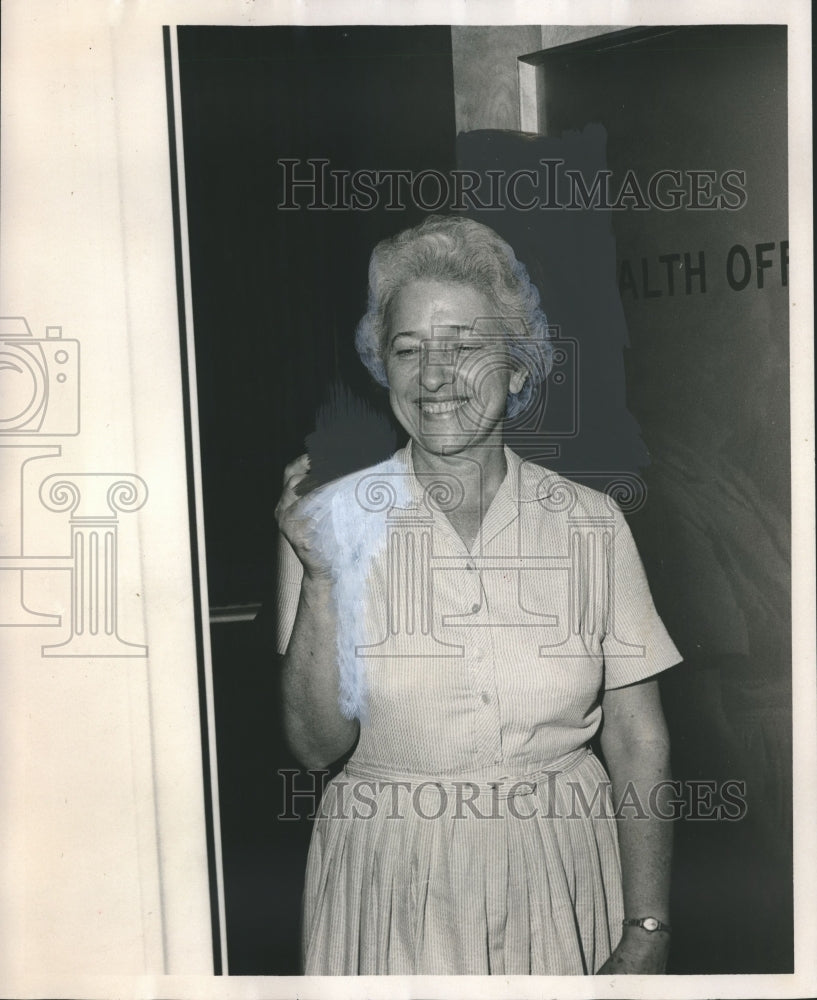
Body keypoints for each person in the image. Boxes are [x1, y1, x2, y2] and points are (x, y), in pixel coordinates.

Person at [274, 215, 682, 975]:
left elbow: (637, 738)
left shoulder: (590, 523)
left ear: (519, 368)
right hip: (392, 881)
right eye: (408, 350)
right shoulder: (325, 521)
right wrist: (322, 579)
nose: (433, 377)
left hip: (560, 872)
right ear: (382, 368)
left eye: (462, 347)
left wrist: (648, 925)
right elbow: (315, 746)